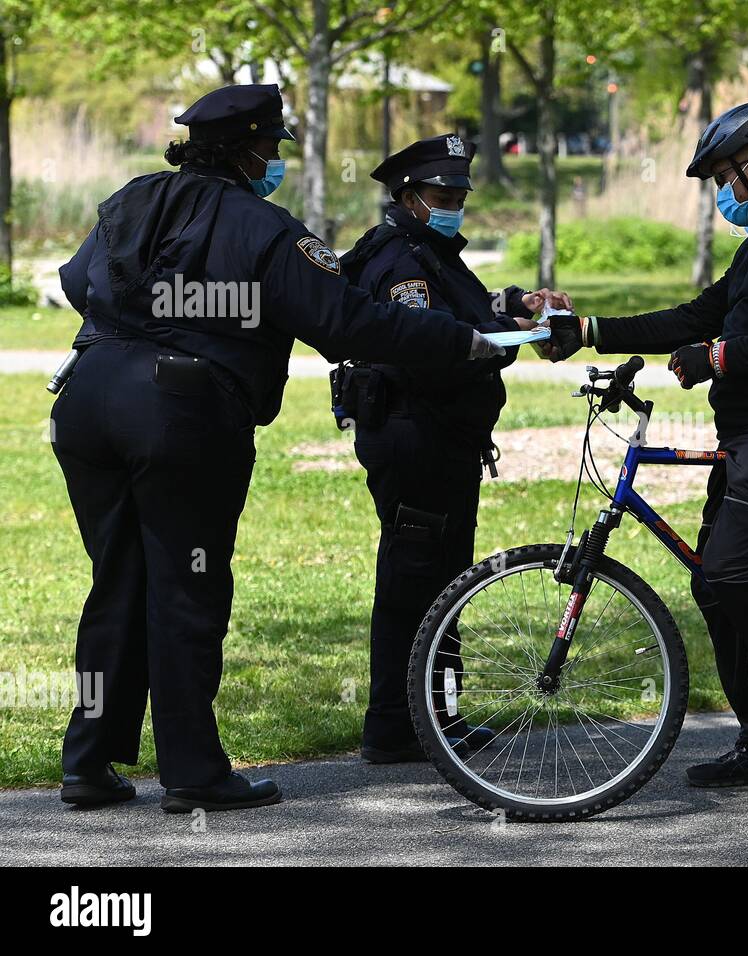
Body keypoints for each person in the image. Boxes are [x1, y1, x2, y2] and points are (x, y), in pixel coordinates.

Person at [51, 85, 507, 813]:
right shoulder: (265, 228)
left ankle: (90, 761)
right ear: (248, 149)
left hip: (88, 397)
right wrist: (462, 341)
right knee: (187, 587)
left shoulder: (132, 199)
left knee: (117, 583)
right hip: (181, 413)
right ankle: (193, 772)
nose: (276, 161)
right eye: (272, 148)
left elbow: (78, 281)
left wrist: (149, 321)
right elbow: (348, 323)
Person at [545, 97, 748, 787]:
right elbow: (697, 315)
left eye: (728, 178)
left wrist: (717, 358)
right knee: (715, 584)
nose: (726, 193)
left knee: (728, 569)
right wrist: (589, 332)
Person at [339, 135, 570, 763]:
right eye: (443, 195)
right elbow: (431, 345)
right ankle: (395, 723)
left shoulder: (427, 250)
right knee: (415, 582)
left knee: (443, 582)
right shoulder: (398, 262)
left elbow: (467, 305)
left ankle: (435, 716)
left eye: (460, 195)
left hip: (441, 438)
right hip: (415, 436)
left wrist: (520, 303)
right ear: (408, 196)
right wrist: (508, 341)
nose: (454, 204)